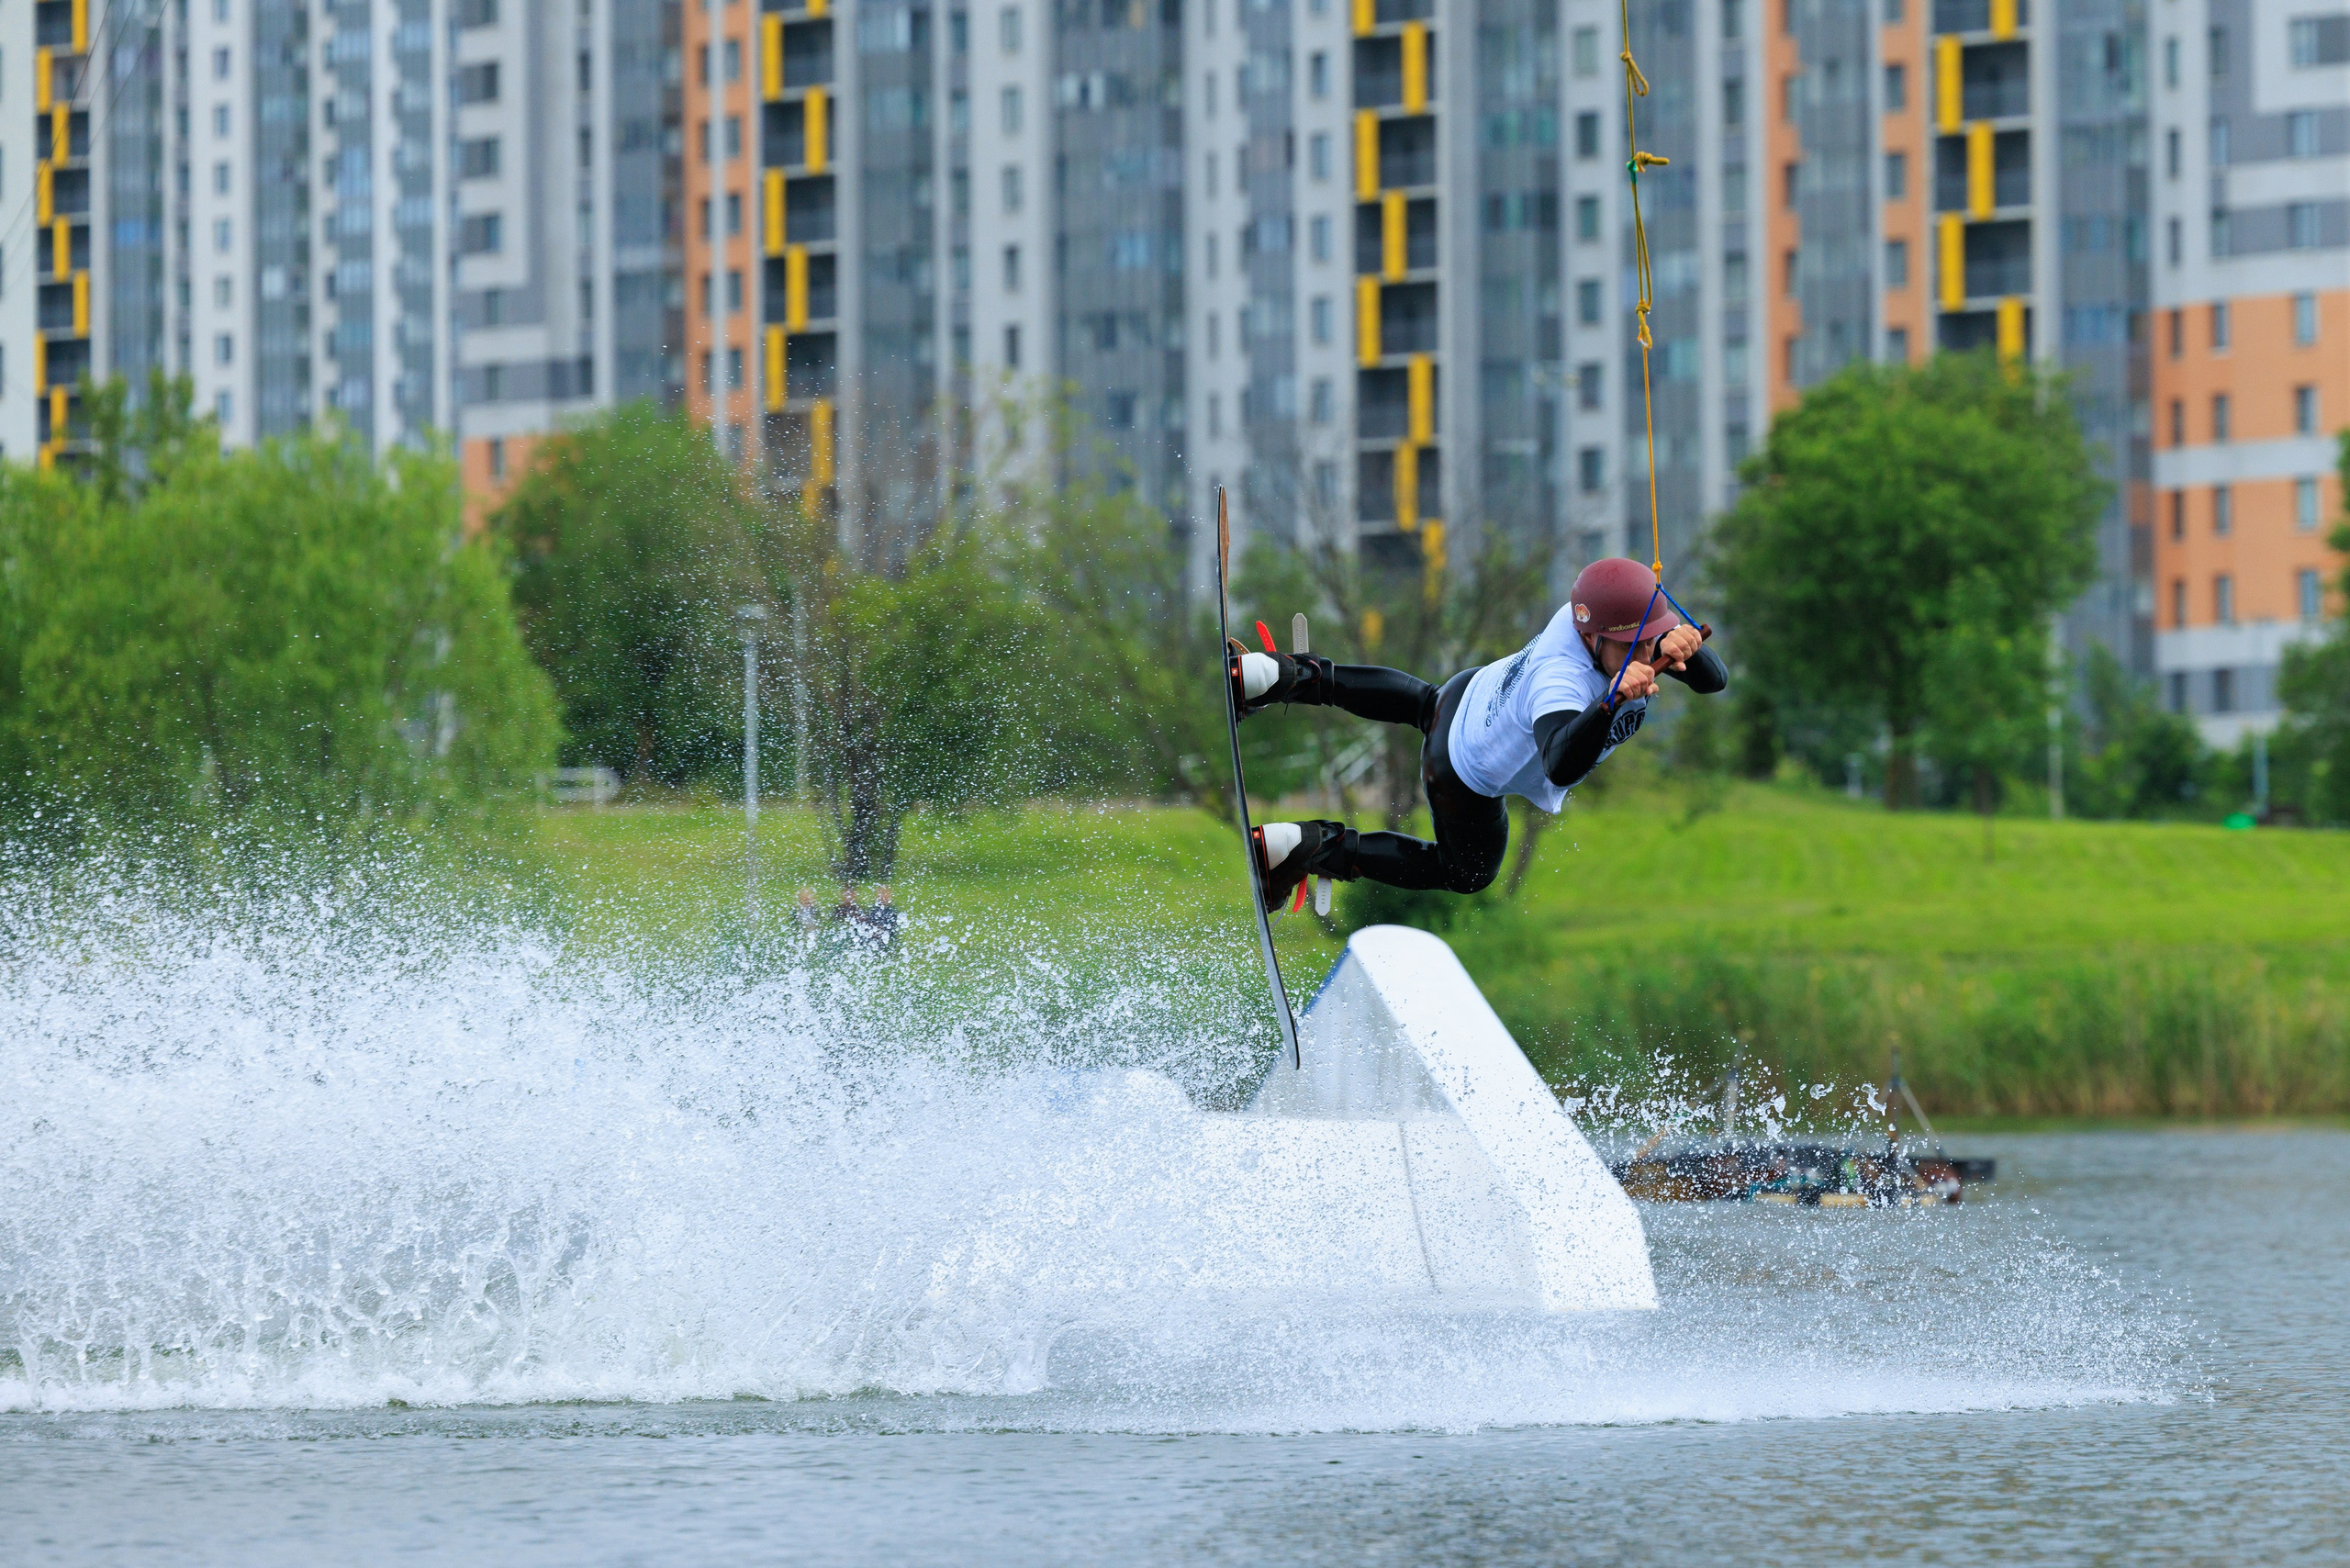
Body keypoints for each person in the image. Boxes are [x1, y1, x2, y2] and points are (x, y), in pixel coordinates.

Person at [1232, 557, 1727, 906]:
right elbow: (1559, 762)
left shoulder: (1605, 619)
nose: (1646, 655)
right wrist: (1612, 700)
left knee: (1426, 704)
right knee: (1466, 874)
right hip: (1461, 770)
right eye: (1633, 644)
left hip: (1466, 693)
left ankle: (1276, 677)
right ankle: (1308, 847)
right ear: (1590, 637)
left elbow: (1714, 681)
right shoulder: (1561, 680)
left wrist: (1683, 642)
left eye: (1650, 638)